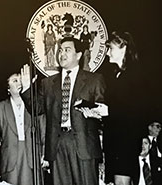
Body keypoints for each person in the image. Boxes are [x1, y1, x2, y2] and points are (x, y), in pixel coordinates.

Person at [20, 36, 107, 185]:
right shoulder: (47, 83)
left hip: (83, 145)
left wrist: (92, 110)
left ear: (78, 55)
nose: (62, 54)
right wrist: (27, 89)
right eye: (60, 50)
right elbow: (37, 109)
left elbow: (103, 109)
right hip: (57, 144)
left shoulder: (94, 80)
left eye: (67, 50)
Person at [102, 31, 147, 185]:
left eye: (110, 48)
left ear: (124, 48)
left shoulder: (135, 75)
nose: (107, 52)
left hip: (125, 140)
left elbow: (135, 110)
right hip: (115, 139)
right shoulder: (116, 75)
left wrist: (108, 111)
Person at [0, 73, 45, 185]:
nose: (19, 83)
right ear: (8, 88)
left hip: (32, 157)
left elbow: (44, 132)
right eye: (15, 81)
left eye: (20, 80)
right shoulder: (0, 107)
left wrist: (45, 154)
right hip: (10, 159)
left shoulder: (36, 106)